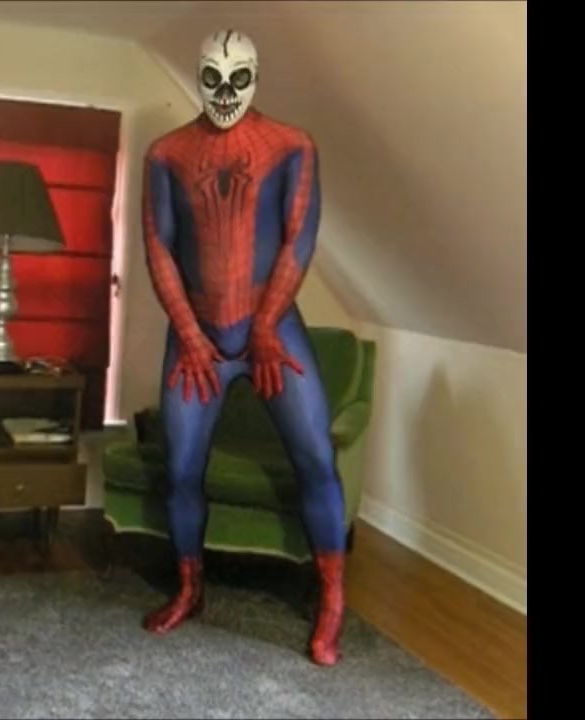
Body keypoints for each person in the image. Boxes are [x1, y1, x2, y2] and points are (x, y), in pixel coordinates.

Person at [140, 28, 347, 666]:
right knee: (181, 467)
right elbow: (158, 246)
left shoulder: (293, 145)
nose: (224, 93)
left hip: (271, 329)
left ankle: (332, 598)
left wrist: (264, 327)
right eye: (212, 79)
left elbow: (298, 239)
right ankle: (189, 588)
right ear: (197, 77)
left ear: (256, 78)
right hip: (196, 335)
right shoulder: (165, 153)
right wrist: (189, 332)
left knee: (315, 456)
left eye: (237, 79)